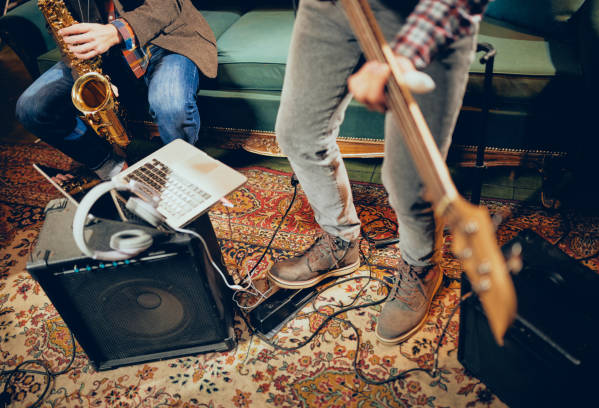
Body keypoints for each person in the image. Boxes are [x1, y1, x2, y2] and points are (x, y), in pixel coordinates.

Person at [268, 0, 490, 345]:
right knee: (299, 135)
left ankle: (422, 266)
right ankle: (340, 241)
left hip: (423, 15)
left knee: (409, 181)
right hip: (329, 8)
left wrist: (406, 54)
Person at [16, 0, 217, 180]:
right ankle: (112, 168)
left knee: (171, 106)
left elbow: (168, 5)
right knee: (31, 108)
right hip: (100, 54)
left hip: (164, 40)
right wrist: (84, 74)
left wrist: (115, 32)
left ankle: (184, 174)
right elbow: (62, 30)